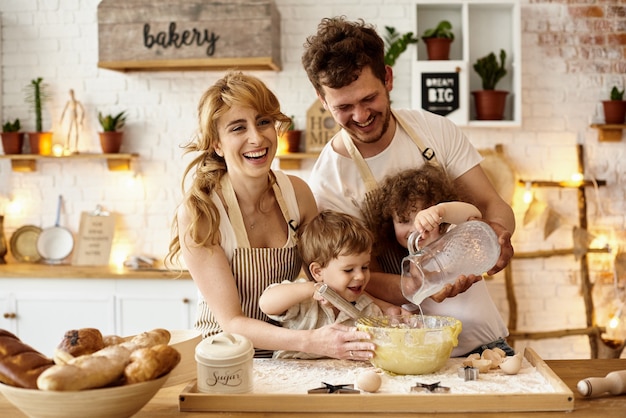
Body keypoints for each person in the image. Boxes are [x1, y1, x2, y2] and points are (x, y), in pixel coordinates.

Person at [301, 16, 515, 306]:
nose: (361, 116)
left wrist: (499, 233)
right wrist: (423, 283)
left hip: (477, 319)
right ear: (322, 100)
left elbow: (492, 204)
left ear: (387, 78)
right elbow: (359, 276)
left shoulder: (435, 130)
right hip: (401, 330)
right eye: (344, 107)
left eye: (369, 99)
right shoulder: (328, 182)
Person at [165, 71, 375, 360]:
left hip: (288, 356)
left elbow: (326, 276)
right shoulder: (201, 213)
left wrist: (382, 310)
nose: (256, 137)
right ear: (216, 144)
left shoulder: (297, 195)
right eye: (238, 128)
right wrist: (312, 341)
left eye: (263, 122)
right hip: (224, 359)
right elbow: (232, 322)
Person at [366, 164, 514, 357]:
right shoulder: (406, 268)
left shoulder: (454, 238)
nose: (415, 228)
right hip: (446, 357)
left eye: (423, 217)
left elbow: (473, 213)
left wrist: (441, 211)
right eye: (404, 221)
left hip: (489, 347)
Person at [259, 210, 405, 359]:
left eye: (365, 267)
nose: (360, 276)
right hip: (291, 378)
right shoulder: (304, 301)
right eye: (348, 270)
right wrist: (312, 289)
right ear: (317, 272)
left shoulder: (368, 309)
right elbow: (266, 303)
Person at [59, 89, 85, 153]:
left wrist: (81, 120)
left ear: (73, 93)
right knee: (69, 131)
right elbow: (64, 111)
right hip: (71, 117)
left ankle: (76, 147)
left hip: (76, 117)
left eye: (72, 92)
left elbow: (83, 111)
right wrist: (61, 120)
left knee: (76, 132)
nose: (71, 94)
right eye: (70, 93)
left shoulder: (77, 102)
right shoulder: (68, 102)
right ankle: (67, 145)